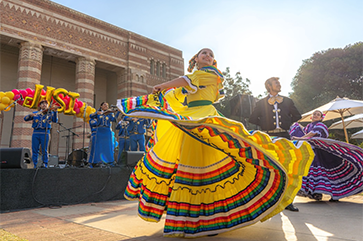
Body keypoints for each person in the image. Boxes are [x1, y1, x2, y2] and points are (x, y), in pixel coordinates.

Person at [120, 48, 313, 238]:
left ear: (213, 62)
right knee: (191, 166)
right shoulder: (192, 79)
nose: (208, 56)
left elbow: (187, 81)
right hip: (190, 119)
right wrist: (158, 99)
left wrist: (163, 85)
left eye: (211, 55)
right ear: (196, 59)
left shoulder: (212, 74)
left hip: (205, 118)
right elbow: (176, 96)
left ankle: (210, 220)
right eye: (204, 53)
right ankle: (193, 219)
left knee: (207, 165)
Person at [249, 77, 301, 212]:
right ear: (269, 86)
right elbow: (253, 118)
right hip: (268, 137)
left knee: (287, 167)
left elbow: (297, 116)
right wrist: (265, 125)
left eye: (279, 83)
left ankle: (287, 201)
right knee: (269, 167)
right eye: (276, 83)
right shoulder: (261, 103)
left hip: (284, 135)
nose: (279, 84)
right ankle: (269, 200)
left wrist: (286, 123)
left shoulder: (287, 101)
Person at [290, 110, 363, 202]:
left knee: (329, 174)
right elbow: (304, 132)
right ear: (311, 117)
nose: (315, 115)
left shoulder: (321, 126)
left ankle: (335, 195)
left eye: (318, 115)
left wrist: (299, 138)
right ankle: (316, 193)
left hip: (322, 153)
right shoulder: (309, 126)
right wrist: (295, 124)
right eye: (314, 114)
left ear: (321, 118)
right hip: (312, 153)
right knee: (314, 173)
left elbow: (311, 135)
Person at [24, 99, 58, 168]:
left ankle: (45, 164)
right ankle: (34, 164)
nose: (44, 105)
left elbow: (55, 120)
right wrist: (30, 115)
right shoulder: (36, 113)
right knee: (34, 149)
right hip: (36, 132)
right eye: (42, 104)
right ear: (40, 105)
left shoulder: (50, 113)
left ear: (48, 105)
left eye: (46, 104)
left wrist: (55, 111)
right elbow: (25, 118)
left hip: (45, 133)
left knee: (44, 149)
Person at [88, 102, 118, 166]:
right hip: (100, 131)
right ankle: (98, 161)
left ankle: (109, 161)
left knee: (108, 146)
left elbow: (113, 119)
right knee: (99, 146)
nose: (106, 106)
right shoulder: (98, 113)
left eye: (107, 105)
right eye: (104, 105)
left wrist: (117, 112)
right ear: (101, 106)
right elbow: (90, 116)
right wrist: (97, 113)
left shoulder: (109, 113)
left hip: (107, 131)